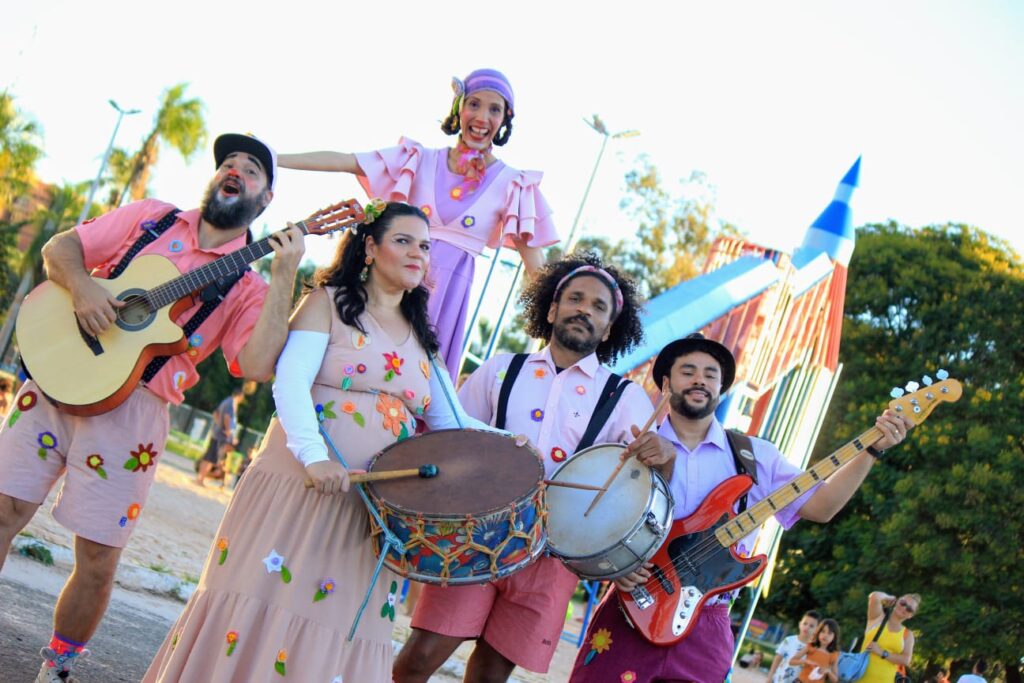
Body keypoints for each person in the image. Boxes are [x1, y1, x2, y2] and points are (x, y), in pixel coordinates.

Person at [144, 202, 512, 681]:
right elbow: (290, 383)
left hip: (369, 509)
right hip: (301, 487)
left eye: (424, 246)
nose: (418, 253)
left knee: (336, 626)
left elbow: (454, 422)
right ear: (370, 247)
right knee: (266, 605)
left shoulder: (424, 339)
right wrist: (315, 458)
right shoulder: (328, 302)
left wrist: (515, 446)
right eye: (403, 241)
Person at [0, 133, 304, 682]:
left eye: (252, 169)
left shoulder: (249, 285)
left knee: (97, 559)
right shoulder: (152, 219)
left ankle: (56, 670)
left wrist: (285, 275)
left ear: (266, 200)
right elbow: (59, 250)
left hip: (133, 417)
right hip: (50, 382)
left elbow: (257, 365)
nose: (234, 170)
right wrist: (85, 290)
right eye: (227, 163)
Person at [568, 333, 916, 683]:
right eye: (687, 371)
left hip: (709, 622)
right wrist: (612, 567)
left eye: (710, 373)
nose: (700, 379)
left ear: (721, 387)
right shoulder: (631, 445)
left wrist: (872, 449)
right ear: (665, 383)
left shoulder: (754, 456)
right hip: (632, 603)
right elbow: (584, 520)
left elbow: (822, 506)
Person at [393, 252, 676, 682]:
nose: (585, 309)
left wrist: (664, 458)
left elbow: (643, 489)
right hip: (478, 534)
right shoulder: (501, 369)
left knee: (491, 675)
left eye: (599, 307)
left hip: (557, 552)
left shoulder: (628, 398)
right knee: (420, 656)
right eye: (575, 298)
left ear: (609, 328)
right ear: (551, 309)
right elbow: (450, 443)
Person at [277, 68, 559, 381]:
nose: (482, 117)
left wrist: (564, 323)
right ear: (459, 108)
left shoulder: (513, 184)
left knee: (418, 386)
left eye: (495, 109)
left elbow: (539, 272)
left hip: (446, 300)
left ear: (506, 118)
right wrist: (274, 158)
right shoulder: (419, 159)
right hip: (391, 283)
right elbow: (347, 161)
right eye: (474, 104)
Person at [860, 592, 920, 683]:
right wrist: (889, 597)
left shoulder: (907, 634)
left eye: (909, 609)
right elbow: (874, 596)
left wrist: (882, 652)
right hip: (861, 678)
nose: (904, 608)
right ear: (897, 601)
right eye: (903, 603)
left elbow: (906, 660)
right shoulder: (877, 618)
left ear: (910, 615)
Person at [195, 386, 245, 487]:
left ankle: (200, 478)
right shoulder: (231, 404)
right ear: (239, 396)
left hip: (217, 433)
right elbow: (226, 417)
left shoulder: (226, 401)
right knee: (212, 459)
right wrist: (227, 430)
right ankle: (201, 479)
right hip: (221, 436)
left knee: (208, 457)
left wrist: (218, 425)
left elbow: (215, 413)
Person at [768, 610, 823, 683]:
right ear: (800, 624)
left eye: (811, 626)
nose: (807, 627)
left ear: (817, 629)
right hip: (779, 680)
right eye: (805, 623)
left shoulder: (814, 649)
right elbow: (777, 659)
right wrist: (770, 677)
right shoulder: (789, 640)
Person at [789, 618, 840, 683]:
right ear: (818, 632)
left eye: (829, 633)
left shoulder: (833, 654)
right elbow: (791, 661)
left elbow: (835, 680)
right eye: (823, 631)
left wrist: (828, 671)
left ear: (834, 637)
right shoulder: (810, 646)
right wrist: (806, 661)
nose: (825, 635)